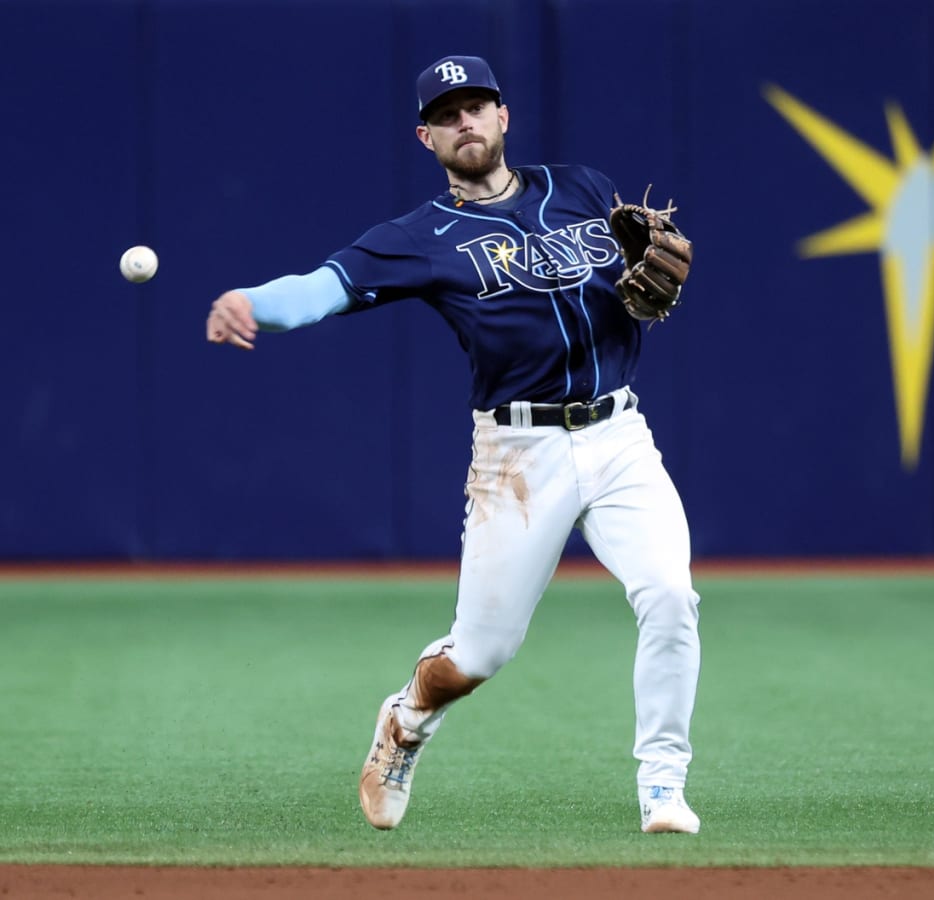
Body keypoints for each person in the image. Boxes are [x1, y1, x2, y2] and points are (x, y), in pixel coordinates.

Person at [206, 55, 702, 835]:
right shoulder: (419, 237)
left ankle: (663, 789)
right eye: (447, 113)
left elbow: (640, 281)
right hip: (518, 458)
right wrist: (249, 303)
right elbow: (321, 289)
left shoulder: (580, 188)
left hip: (618, 433)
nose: (464, 121)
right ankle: (405, 721)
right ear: (426, 136)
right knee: (479, 653)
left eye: (477, 106)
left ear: (504, 116)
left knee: (671, 595)